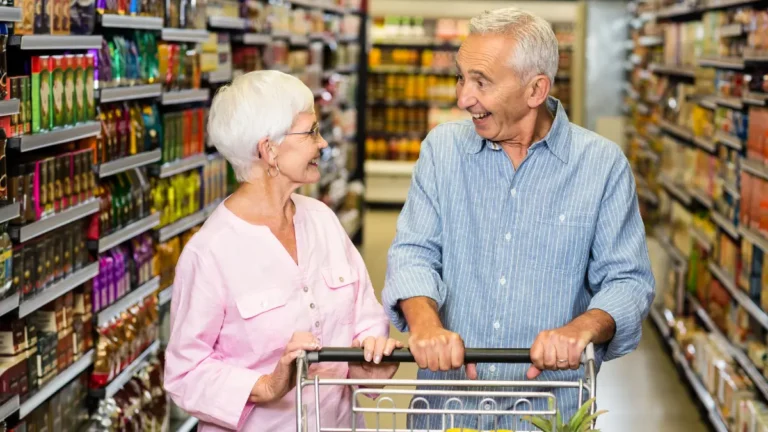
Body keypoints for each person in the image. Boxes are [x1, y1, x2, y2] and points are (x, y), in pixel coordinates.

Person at [382, 6, 655, 430]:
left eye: (481, 82)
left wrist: (583, 327)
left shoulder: (601, 166)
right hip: (449, 411)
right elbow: (414, 253)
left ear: (535, 90)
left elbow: (628, 281)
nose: (463, 97)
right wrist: (425, 326)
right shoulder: (442, 152)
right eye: (461, 77)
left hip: (549, 414)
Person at [164, 70, 402, 432]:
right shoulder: (210, 252)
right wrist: (266, 385)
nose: (322, 143)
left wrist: (369, 358)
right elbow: (186, 372)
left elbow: (364, 314)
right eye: (311, 132)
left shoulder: (322, 220)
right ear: (268, 149)